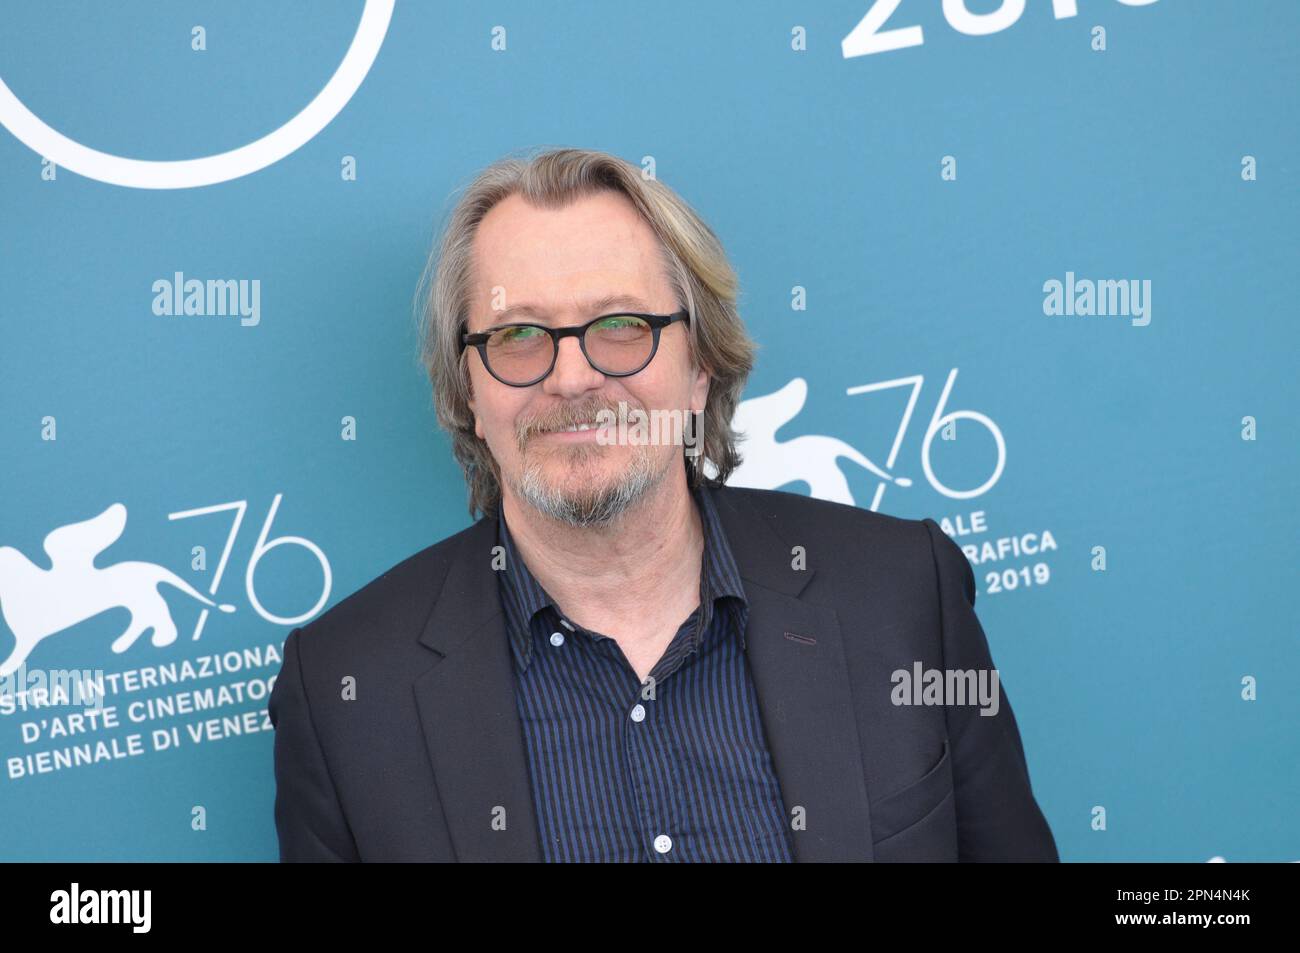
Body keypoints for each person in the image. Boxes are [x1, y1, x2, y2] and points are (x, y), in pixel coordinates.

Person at [268, 146, 1058, 862]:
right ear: (467, 390)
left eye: (620, 325)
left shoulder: (900, 592)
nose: (572, 378)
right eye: (518, 337)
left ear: (700, 368)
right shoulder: (346, 693)